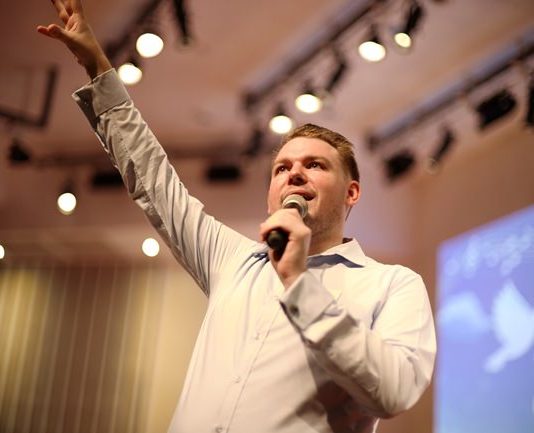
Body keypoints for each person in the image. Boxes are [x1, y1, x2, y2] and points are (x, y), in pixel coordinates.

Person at [38, 1, 436, 432]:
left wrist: (299, 283)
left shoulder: (392, 285)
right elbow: (154, 180)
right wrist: (98, 67)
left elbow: (395, 391)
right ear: (270, 195)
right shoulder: (232, 259)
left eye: (315, 165)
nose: (294, 174)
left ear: (351, 193)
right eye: (282, 169)